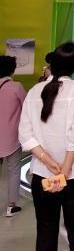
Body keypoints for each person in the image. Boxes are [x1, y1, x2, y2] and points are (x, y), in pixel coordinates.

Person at [19, 41, 74, 251]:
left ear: (52, 63)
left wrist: (48, 162)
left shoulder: (34, 91)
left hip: (42, 176)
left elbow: (25, 134)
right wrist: (64, 171)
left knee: (45, 237)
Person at [0, 54, 26, 216]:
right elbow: (27, 107)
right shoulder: (16, 87)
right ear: (12, 70)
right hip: (12, 137)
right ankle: (11, 205)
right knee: (14, 170)